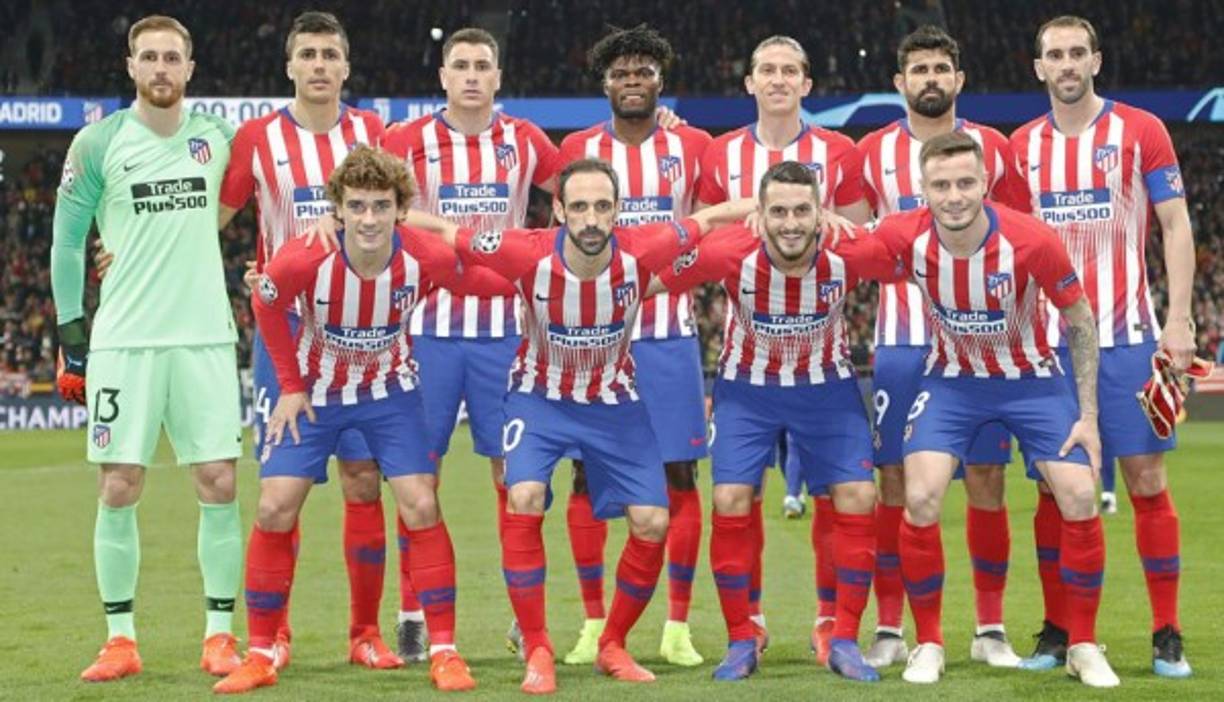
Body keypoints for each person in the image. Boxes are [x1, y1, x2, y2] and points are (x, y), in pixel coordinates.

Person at [408, 158, 754, 694]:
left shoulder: (646, 246)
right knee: (523, 495)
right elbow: (450, 234)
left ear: (618, 211)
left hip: (614, 402)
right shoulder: (524, 250)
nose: (591, 219)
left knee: (653, 521)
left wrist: (765, 209)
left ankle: (612, 644)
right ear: (559, 210)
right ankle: (538, 647)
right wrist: (386, 216)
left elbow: (708, 221)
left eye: (602, 207)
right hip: (539, 399)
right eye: (580, 207)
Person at [213, 145, 495, 694]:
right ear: (338, 210)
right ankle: (261, 652)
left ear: (401, 210)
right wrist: (290, 385)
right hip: (315, 395)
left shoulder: (423, 256)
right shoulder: (303, 257)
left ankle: (443, 651)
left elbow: (474, 281)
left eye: (381, 206)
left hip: (390, 392)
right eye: (357, 206)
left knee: (420, 502)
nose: (369, 218)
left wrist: (541, 279)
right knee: (273, 505)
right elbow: (266, 304)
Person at [855, 132, 1115, 687]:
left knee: (1078, 494)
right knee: (920, 496)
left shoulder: (1031, 239)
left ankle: (1083, 644)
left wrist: (1088, 416)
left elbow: (1079, 319)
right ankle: (929, 643)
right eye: (941, 185)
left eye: (965, 183)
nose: (954, 196)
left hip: (1032, 380)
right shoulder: (902, 232)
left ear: (985, 184)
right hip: (951, 381)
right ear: (922, 188)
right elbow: (839, 243)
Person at [51, 15, 244, 682]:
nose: (161, 67)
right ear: (131, 66)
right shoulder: (98, 142)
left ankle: (219, 636)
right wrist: (72, 335)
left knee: (219, 481)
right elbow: (66, 240)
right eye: (149, 57)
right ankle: (120, 640)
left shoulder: (219, 137)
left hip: (203, 337)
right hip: (125, 340)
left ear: (190, 68)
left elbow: (254, 198)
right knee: (118, 484)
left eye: (172, 57)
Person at [660, 160, 901, 683]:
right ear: (760, 215)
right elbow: (652, 276)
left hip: (827, 389)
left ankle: (844, 640)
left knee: (859, 496)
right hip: (747, 392)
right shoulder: (729, 251)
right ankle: (740, 640)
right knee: (730, 498)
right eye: (778, 212)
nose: (790, 223)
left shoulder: (850, 250)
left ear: (820, 213)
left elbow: (920, 258)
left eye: (801, 211)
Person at [1010, 14, 1198, 679]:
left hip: (1127, 341)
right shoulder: (1021, 146)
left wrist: (1179, 320)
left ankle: (1167, 631)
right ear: (1039, 68)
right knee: (1053, 491)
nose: (1066, 64)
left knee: (1146, 481)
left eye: (1076, 53)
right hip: (1048, 350)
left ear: (1095, 60)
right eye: (1054, 54)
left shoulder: (1141, 130)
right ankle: (1059, 630)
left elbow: (1175, 224)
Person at [218, 10, 398, 669]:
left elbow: (408, 214)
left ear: (346, 67)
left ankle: (364, 634)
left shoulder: (373, 133)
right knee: (280, 494)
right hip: (287, 332)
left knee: (363, 481)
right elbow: (212, 218)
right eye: (308, 54)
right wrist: (128, 247)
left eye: (329, 54)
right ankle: (274, 635)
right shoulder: (257, 138)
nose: (319, 65)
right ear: (289, 66)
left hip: (360, 330)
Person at [855, 25, 1032, 669]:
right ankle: (891, 629)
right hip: (902, 342)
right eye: (919, 69)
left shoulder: (995, 149)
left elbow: (1020, 234)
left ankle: (990, 629)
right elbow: (855, 245)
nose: (930, 78)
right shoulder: (869, 152)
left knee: (986, 478)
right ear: (899, 82)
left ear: (958, 78)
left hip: (981, 347)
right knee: (895, 482)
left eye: (940, 68)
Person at [381, 28, 562, 659]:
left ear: (497, 76)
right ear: (443, 76)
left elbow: (578, 191)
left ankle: (522, 614)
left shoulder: (525, 139)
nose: (471, 75)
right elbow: (380, 207)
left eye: (482, 65)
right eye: (460, 65)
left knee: (514, 476)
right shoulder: (407, 141)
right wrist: (452, 233)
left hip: (506, 332)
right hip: (426, 331)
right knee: (417, 477)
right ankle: (412, 614)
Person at [695, 34, 872, 661]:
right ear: (749, 83)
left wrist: (830, 227)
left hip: (824, 365)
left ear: (806, 83)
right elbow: (701, 236)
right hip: (747, 365)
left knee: (839, 494)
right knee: (736, 497)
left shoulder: (839, 151)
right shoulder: (720, 153)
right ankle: (749, 624)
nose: (778, 79)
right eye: (766, 70)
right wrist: (746, 217)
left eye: (790, 70)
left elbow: (862, 239)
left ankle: (831, 623)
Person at [556, 23, 712, 668]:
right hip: (594, 341)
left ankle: (677, 625)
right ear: (605, 82)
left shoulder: (693, 145)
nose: (632, 81)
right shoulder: (577, 149)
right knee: (586, 476)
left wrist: (667, 281)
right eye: (621, 72)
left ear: (660, 80)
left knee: (679, 475)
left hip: (668, 335)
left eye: (643, 71)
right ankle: (594, 621)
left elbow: (709, 232)